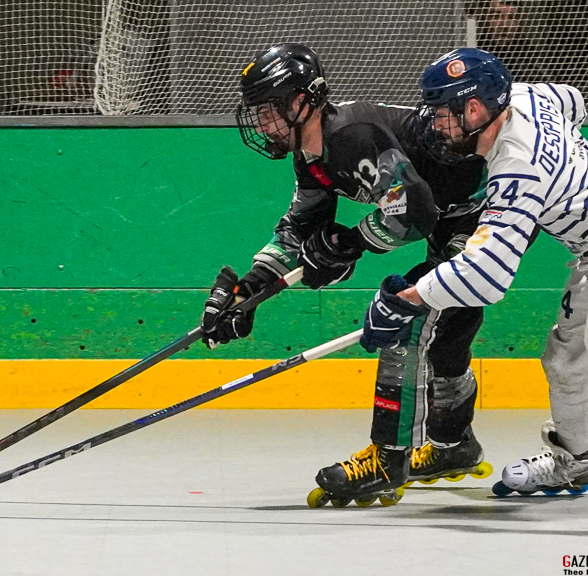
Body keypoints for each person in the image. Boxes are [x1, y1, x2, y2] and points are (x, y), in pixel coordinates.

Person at [361, 47, 588, 532]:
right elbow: (573, 101)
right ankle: (576, 458)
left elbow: (488, 273)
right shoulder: (528, 96)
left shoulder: (516, 170)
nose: (434, 123)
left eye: (442, 113)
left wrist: (408, 300)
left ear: (475, 110)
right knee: (564, 358)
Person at [200, 43, 493, 506]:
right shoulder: (311, 158)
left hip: (490, 211)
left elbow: (415, 212)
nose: (261, 124)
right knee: (449, 331)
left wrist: (352, 242)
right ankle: (453, 446)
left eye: (269, 111)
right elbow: (300, 229)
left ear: (303, 101)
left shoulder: (353, 135)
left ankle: (388, 458)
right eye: (255, 113)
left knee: (410, 311)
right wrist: (250, 289)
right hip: (457, 214)